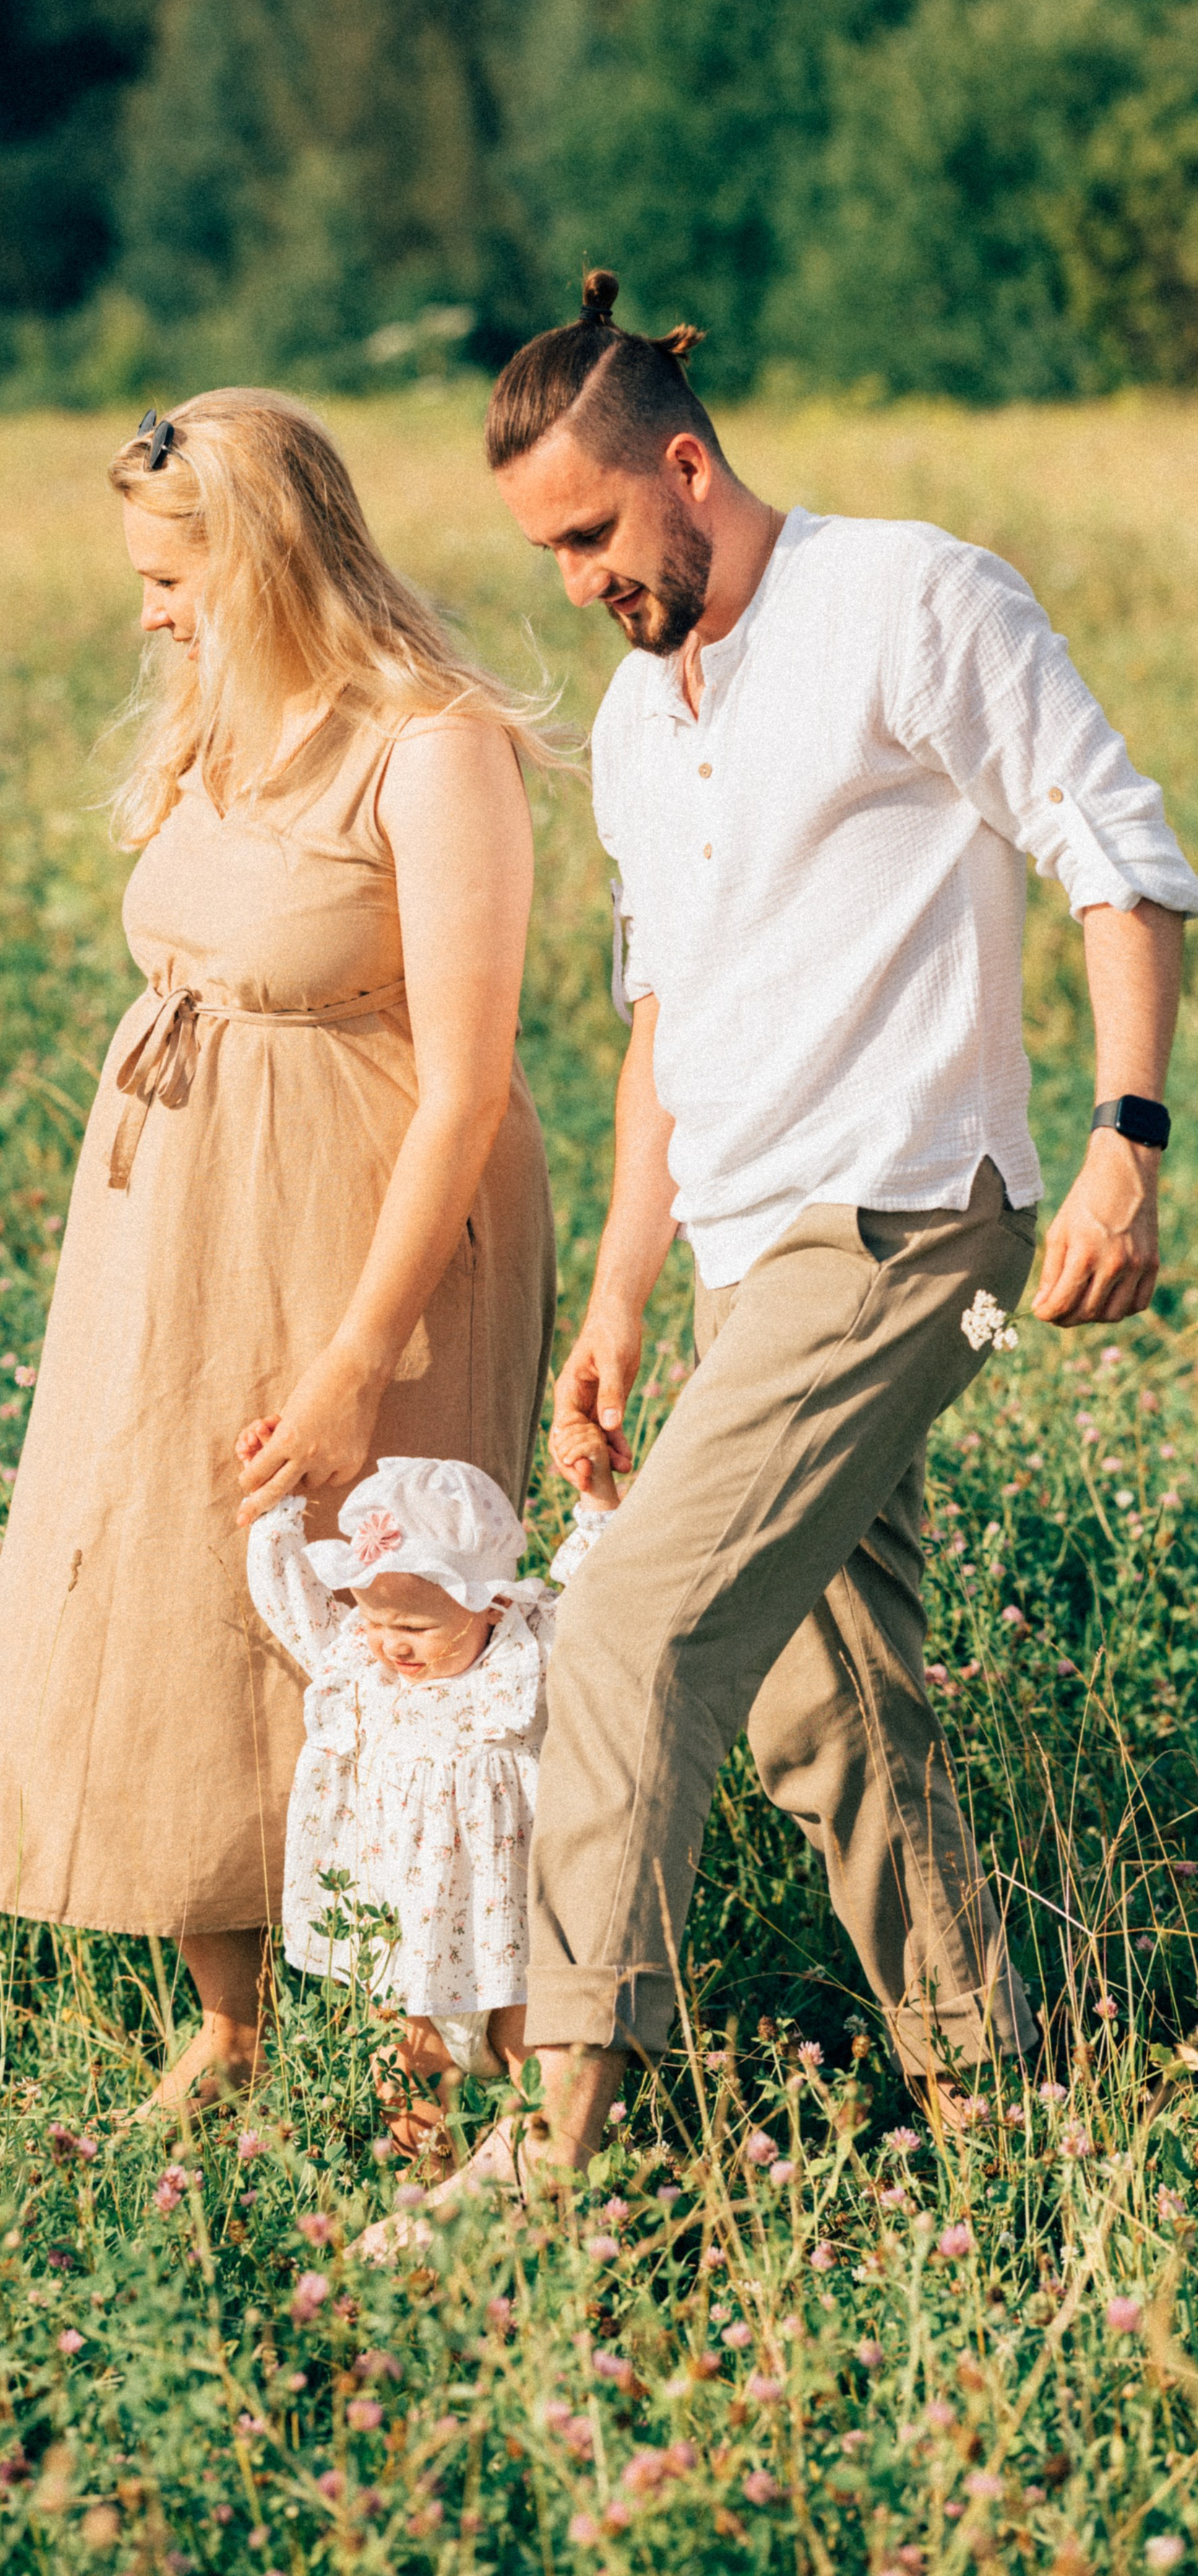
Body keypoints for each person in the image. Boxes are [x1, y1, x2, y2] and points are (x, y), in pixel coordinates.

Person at [429, 267, 1198, 2199]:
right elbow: (664, 1031)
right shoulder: (631, 720)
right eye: (549, 552)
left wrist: (1126, 1140)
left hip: (913, 1218)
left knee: (632, 1629)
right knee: (830, 1704)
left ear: (688, 465)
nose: (583, 577)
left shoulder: (914, 600)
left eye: (598, 531)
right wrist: (614, 1302)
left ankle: (579, 2138)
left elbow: (1117, 852)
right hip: (749, 1261)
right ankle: (991, 2108)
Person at [0, 391, 558, 2112]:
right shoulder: (213, 719)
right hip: (169, 1222)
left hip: (369, 1222)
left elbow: (466, 1084)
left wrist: (359, 1353)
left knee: (388, 1618)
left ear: (267, 560)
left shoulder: (429, 748)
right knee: (167, 1586)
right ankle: (224, 2021)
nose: (144, 609)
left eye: (169, 575)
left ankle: (426, 2060)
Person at [244, 1454, 616, 2157]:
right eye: (377, 1616)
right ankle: (429, 2193)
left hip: (510, 1938)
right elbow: (289, 1599)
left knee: (536, 2063)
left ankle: (537, 2187)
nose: (392, 1642)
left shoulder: (525, 1653)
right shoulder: (356, 1658)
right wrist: (278, 1510)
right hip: (404, 1944)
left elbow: (599, 1593)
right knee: (404, 2072)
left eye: (415, 1625)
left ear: (488, 1601)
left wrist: (595, 1499)